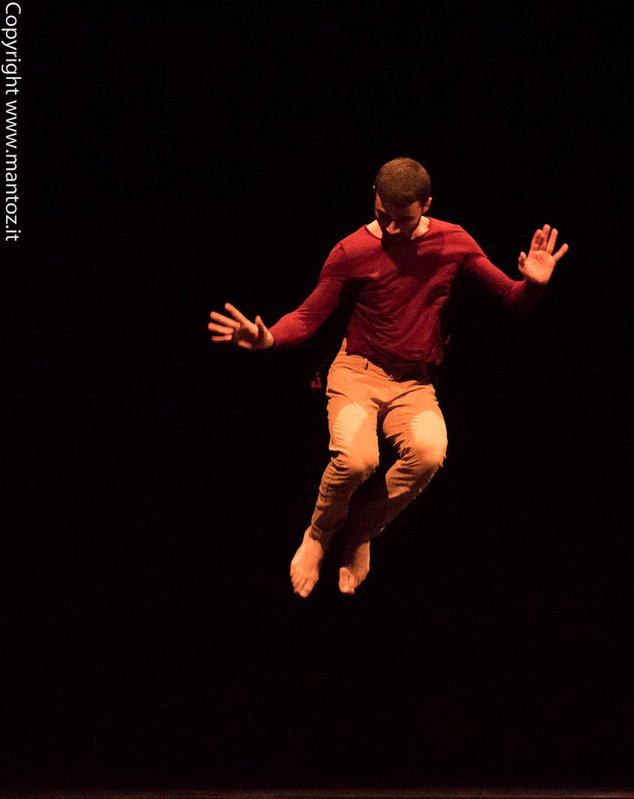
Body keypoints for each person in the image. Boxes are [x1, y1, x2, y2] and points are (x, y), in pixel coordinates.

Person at [207, 157, 568, 598]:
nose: (393, 229)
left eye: (405, 219)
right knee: (358, 461)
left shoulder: (454, 243)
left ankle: (360, 532)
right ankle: (319, 534)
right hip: (358, 371)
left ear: (427, 205)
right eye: (383, 216)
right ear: (374, 197)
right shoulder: (351, 251)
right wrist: (269, 339)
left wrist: (533, 284)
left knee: (430, 453)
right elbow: (306, 316)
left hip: (414, 383)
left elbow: (513, 300)